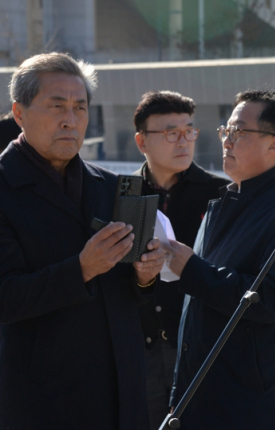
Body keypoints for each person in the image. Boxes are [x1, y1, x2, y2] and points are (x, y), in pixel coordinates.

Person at [0, 52, 165, 430]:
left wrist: (145, 276)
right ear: (19, 113)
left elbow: (132, 292)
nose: (70, 120)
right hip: (43, 396)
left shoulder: (111, 186)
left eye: (80, 107)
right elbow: (5, 297)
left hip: (122, 389)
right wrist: (81, 269)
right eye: (56, 106)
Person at [164, 90, 275, 429]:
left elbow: (271, 300)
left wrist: (192, 269)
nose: (227, 140)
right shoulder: (223, 204)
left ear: (273, 144)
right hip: (200, 397)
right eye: (226, 130)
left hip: (250, 407)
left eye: (239, 131)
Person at [132, 90, 229, 429]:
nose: (184, 141)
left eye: (189, 131)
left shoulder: (221, 195)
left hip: (199, 347)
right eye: (171, 133)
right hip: (137, 347)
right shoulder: (122, 194)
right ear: (142, 141)